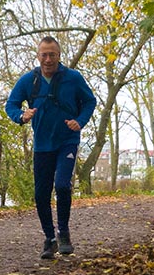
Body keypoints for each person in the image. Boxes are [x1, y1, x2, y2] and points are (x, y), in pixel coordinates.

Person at [5, 36, 97, 259]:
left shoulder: (73, 78)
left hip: (67, 141)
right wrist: (21, 116)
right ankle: (50, 238)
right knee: (41, 194)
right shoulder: (29, 80)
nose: (48, 59)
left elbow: (90, 101)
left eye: (52, 55)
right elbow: (11, 104)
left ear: (59, 56)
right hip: (42, 144)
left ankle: (63, 233)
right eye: (44, 55)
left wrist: (80, 121)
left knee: (63, 185)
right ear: (38, 56)